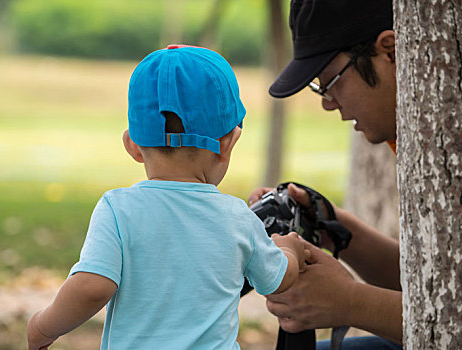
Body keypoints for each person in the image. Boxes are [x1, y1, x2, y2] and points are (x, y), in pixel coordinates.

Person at [26, 45, 310, 350]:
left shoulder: (118, 209)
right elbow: (277, 279)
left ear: (133, 145)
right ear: (229, 143)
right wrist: (289, 249)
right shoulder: (237, 216)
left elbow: (92, 286)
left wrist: (43, 326)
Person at [248, 0, 403, 349]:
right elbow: (432, 284)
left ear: (390, 51)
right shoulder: (415, 143)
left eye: (330, 81)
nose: (327, 102)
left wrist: (350, 302)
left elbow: (452, 316)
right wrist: (330, 225)